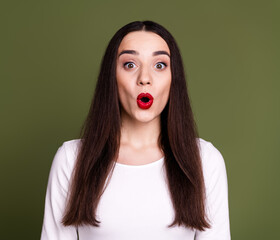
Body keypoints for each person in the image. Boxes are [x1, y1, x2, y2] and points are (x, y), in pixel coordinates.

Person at [40, 20, 230, 240]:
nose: (145, 79)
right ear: (112, 77)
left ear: (173, 79)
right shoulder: (72, 159)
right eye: (130, 65)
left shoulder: (205, 161)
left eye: (159, 65)